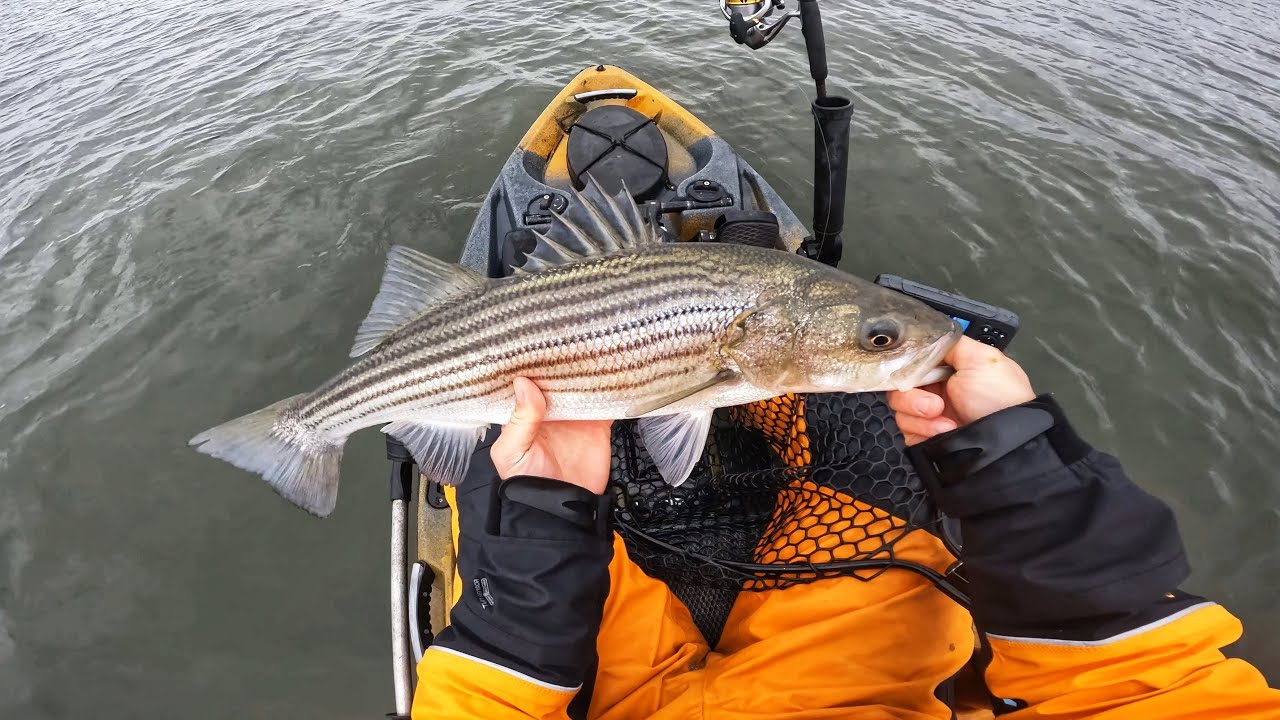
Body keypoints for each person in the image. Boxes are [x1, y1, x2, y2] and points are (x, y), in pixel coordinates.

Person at [411, 337, 1280, 719]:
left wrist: (519, 609)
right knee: (871, 502)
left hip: (604, 696)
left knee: (508, 492)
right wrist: (1021, 485)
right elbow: (1148, 693)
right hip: (879, 673)